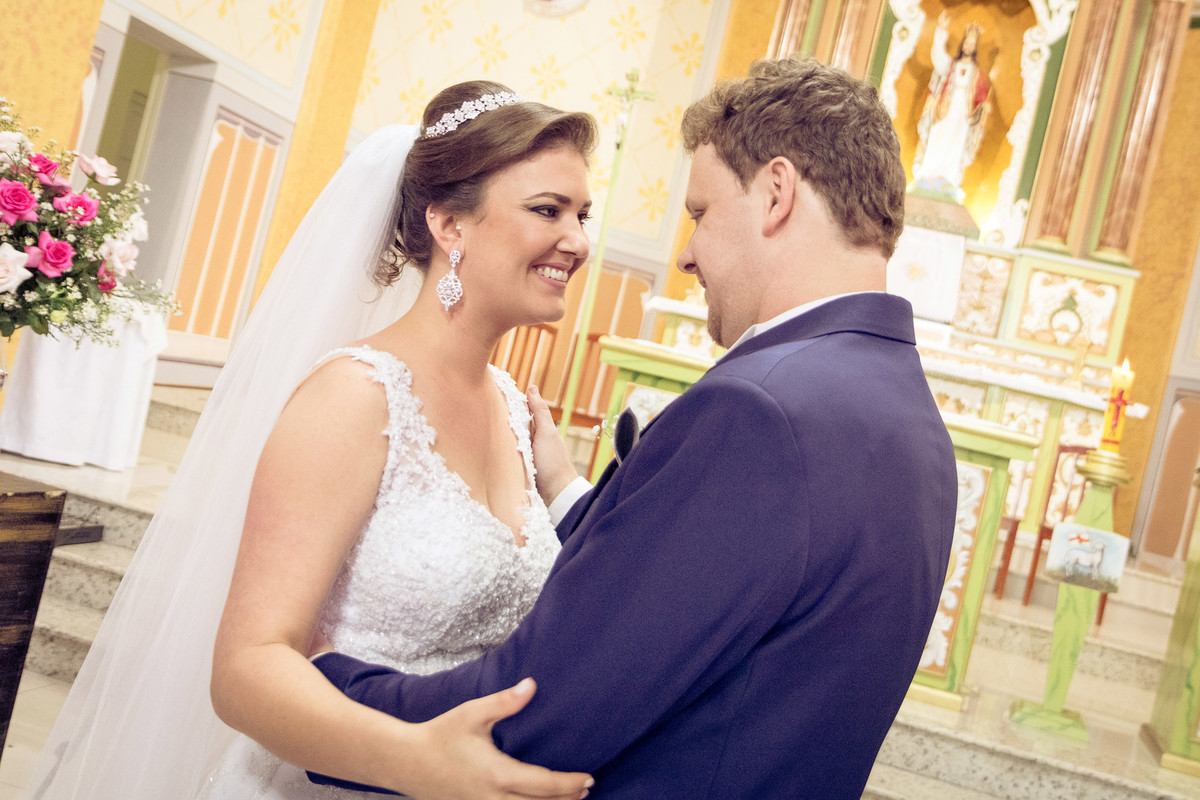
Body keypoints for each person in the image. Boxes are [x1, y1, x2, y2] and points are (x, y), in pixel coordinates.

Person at [306, 58, 958, 798]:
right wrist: (563, 486)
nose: (684, 254)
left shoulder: (758, 411)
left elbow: (541, 711)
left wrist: (325, 686)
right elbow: (695, 591)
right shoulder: (913, 420)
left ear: (776, 194)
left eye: (701, 213)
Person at [28, 81, 597, 800]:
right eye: (548, 210)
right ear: (451, 225)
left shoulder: (517, 411)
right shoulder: (356, 396)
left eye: (582, 214)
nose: (578, 241)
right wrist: (412, 761)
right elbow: (247, 670)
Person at [911, 13, 992, 199]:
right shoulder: (951, 65)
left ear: (975, 48)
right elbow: (938, 57)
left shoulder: (976, 73)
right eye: (967, 43)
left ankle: (949, 179)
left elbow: (982, 95)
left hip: (963, 116)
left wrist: (984, 106)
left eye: (972, 45)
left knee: (956, 143)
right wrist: (941, 31)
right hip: (945, 110)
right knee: (937, 137)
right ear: (962, 44)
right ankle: (927, 173)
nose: (968, 47)